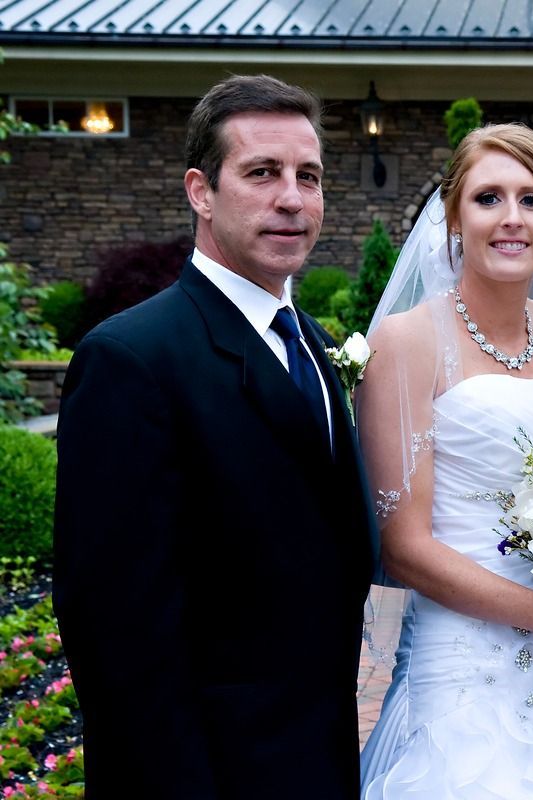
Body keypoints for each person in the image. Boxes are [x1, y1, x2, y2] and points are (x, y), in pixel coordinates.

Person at [53, 75, 374, 799]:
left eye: (308, 177)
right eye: (262, 173)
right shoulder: (132, 359)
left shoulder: (315, 346)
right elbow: (115, 628)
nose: (291, 198)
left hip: (315, 757)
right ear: (201, 191)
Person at [356, 123, 533, 799]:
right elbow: (403, 550)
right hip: (467, 659)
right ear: (454, 217)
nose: (511, 218)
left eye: (532, 199)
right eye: (488, 198)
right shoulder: (406, 341)